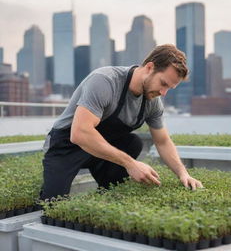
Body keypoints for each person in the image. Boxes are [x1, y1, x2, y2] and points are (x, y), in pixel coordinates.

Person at [40, 44, 203, 200]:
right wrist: (130, 163)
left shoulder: (153, 102)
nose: (163, 93)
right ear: (149, 67)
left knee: (132, 143)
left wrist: (183, 173)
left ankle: (106, 194)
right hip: (66, 147)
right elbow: (80, 133)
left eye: (169, 88)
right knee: (52, 204)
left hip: (101, 149)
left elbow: (163, 141)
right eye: (163, 83)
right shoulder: (105, 81)